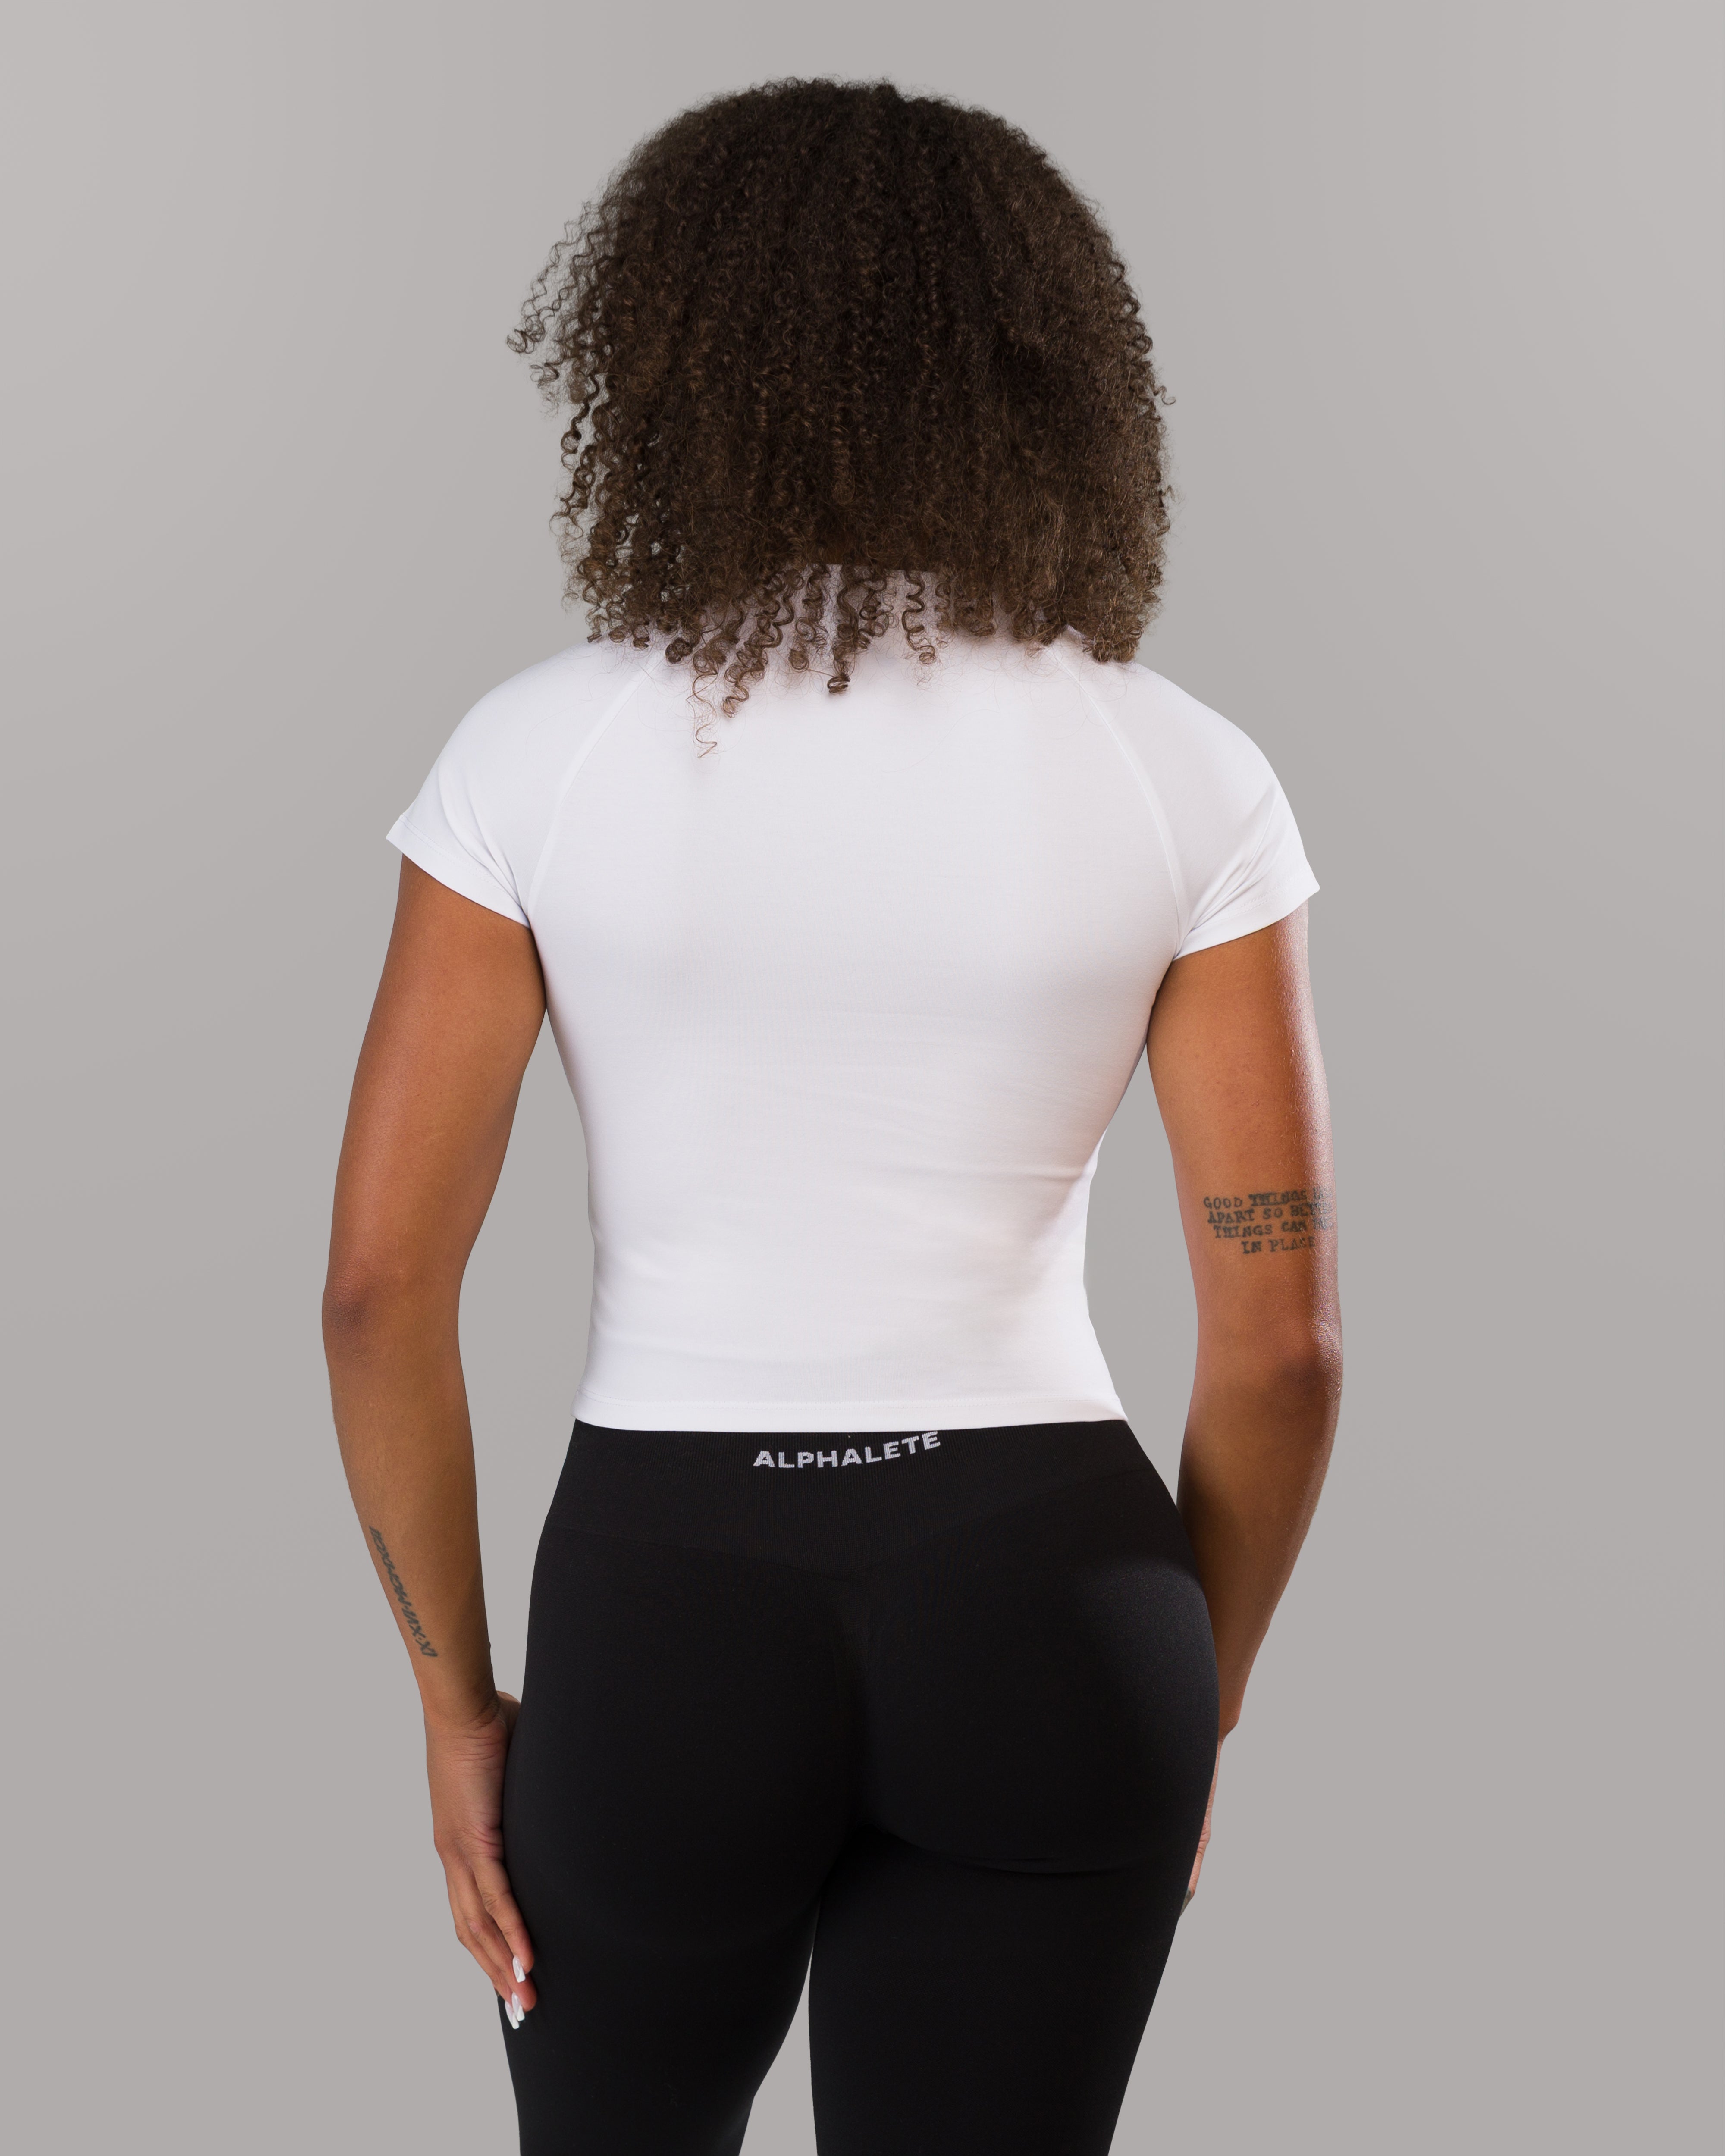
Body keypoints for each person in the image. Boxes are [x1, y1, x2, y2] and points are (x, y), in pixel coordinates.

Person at [323, 76, 1341, 2156]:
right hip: (1057, 1599)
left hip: (665, 1606)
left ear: (665, 356)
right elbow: (1286, 1342)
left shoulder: (540, 754)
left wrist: (455, 1704)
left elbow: (375, 1292)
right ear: (1051, 367)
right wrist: (1189, 1684)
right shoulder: (1178, 765)